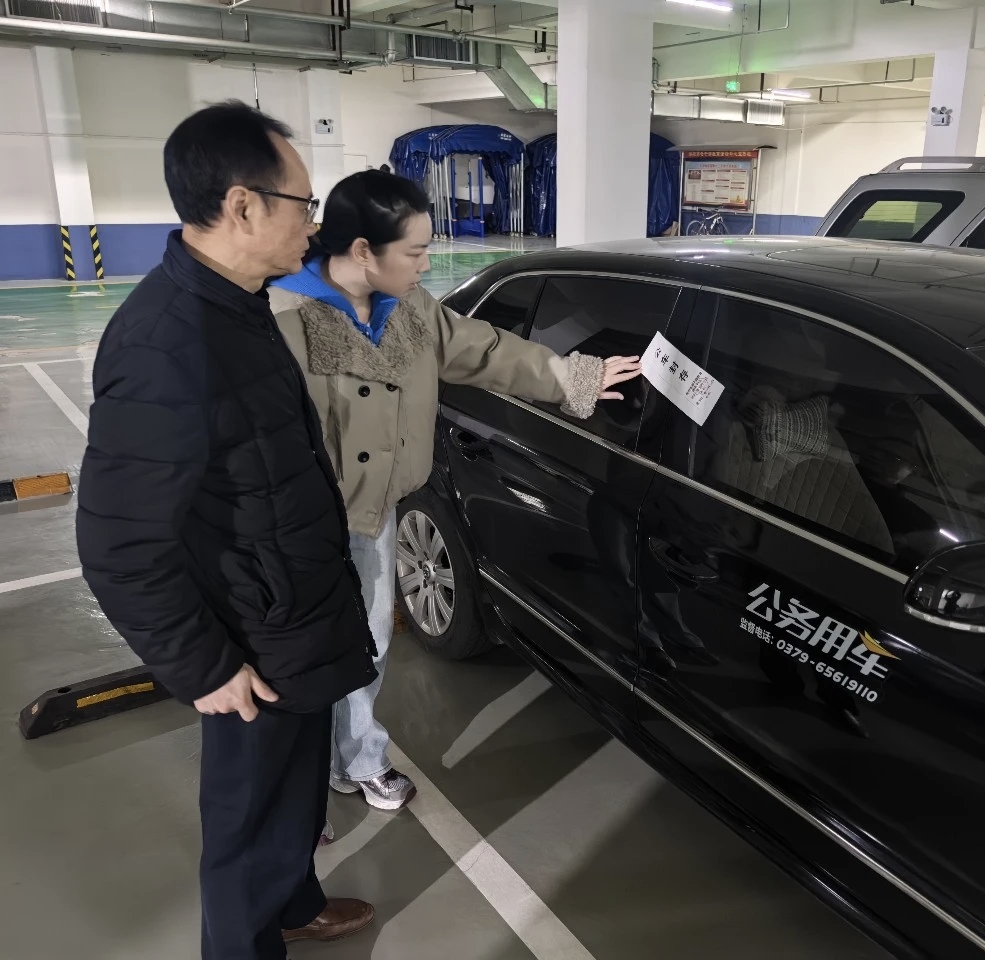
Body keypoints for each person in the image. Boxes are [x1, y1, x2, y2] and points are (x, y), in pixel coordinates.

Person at [75, 102, 378, 959]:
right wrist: (202, 665)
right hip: (246, 633)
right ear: (243, 206)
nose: (313, 224)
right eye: (304, 204)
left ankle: (293, 904)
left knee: (294, 789)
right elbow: (117, 542)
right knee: (248, 813)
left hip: (289, 610)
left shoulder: (236, 304)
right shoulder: (166, 344)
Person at [268, 170, 641, 812]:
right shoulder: (284, 320)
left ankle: (351, 759)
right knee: (317, 653)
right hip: (305, 526)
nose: (426, 265)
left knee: (367, 643)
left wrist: (571, 377)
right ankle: (326, 770)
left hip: (374, 515)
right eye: (414, 252)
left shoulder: (410, 310)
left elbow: (485, 350)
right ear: (362, 251)